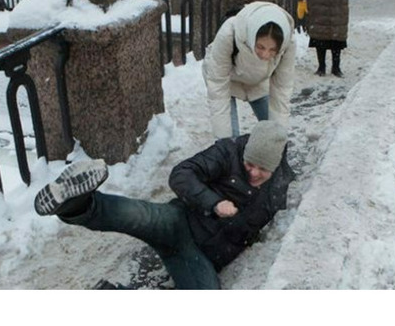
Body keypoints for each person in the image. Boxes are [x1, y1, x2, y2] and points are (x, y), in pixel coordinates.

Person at [34, 120, 295, 290]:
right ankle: (73, 203)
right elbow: (181, 174)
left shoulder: (279, 187)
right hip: (178, 222)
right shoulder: (228, 152)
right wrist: (214, 203)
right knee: (135, 215)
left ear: (275, 165)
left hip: (200, 257)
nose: (254, 172)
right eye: (250, 164)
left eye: (263, 169)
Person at [203, 1, 295, 139]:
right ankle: (229, 156)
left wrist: (278, 142)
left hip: (258, 81)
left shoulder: (288, 44)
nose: (265, 55)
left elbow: (281, 90)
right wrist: (226, 144)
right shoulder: (229, 32)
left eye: (272, 50)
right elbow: (218, 88)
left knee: (273, 133)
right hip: (227, 80)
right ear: (252, 37)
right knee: (230, 138)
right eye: (260, 47)